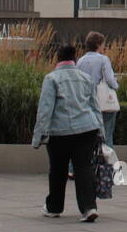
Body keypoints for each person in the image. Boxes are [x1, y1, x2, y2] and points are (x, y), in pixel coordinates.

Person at [31, 45, 103, 222]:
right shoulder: (85, 78)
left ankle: (54, 207)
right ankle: (89, 207)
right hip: (87, 129)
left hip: (59, 132)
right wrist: (100, 131)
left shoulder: (51, 79)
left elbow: (45, 110)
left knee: (58, 170)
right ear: (75, 59)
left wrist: (38, 137)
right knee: (84, 167)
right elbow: (95, 106)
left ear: (57, 59)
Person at [76, 31, 120, 145]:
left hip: (86, 104)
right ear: (99, 44)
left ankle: (90, 161)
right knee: (107, 135)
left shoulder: (80, 61)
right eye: (103, 44)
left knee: (87, 137)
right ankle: (107, 161)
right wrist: (116, 86)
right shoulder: (103, 59)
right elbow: (109, 79)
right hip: (103, 104)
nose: (104, 47)